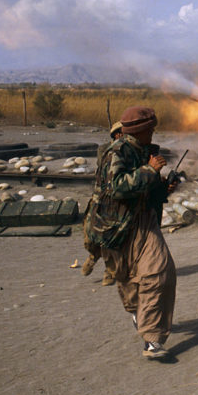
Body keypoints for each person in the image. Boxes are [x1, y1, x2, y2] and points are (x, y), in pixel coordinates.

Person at [84, 106, 177, 360]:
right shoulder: (118, 151)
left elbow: (147, 191)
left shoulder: (145, 152)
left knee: (159, 271)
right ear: (141, 130)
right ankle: (138, 313)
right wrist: (149, 171)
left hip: (144, 223)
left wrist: (164, 186)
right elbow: (117, 188)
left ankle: (152, 339)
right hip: (116, 227)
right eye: (151, 129)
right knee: (126, 277)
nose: (154, 133)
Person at [82, 121, 123, 285]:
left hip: (113, 204)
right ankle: (93, 255)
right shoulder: (106, 150)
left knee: (110, 239)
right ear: (118, 135)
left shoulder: (127, 152)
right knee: (89, 236)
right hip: (99, 199)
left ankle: (110, 272)